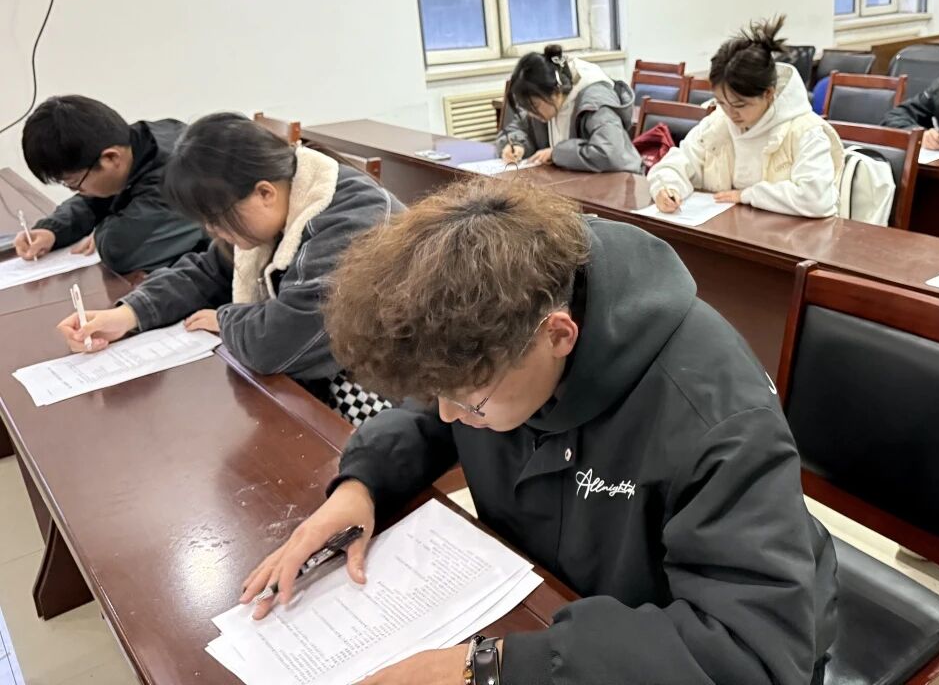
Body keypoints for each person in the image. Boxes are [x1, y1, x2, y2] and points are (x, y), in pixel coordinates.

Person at [240, 180, 838, 685]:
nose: (448, 414)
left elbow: (752, 653)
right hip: (555, 602)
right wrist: (361, 485)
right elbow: (432, 412)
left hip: (681, 639)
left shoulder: (717, 420)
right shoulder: (490, 344)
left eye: (468, 400)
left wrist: (487, 668)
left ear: (557, 336)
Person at [55, 113, 404, 398]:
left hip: (401, 396)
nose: (213, 231)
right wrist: (128, 315)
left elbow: (280, 342)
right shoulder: (281, 198)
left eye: (217, 219)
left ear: (264, 193)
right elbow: (209, 270)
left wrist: (226, 320)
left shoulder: (352, 221)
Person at [647, 16, 844, 218]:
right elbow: (679, 163)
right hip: (726, 228)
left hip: (787, 234)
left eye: (740, 105)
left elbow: (816, 198)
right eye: (722, 103)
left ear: (768, 94)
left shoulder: (804, 131)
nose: (730, 113)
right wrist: (667, 187)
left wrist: (748, 195)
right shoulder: (718, 124)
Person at [15, 96, 208, 274]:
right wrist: (53, 230)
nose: (78, 192)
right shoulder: (133, 145)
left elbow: (119, 251)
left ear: (110, 158)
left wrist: (103, 232)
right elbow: (95, 200)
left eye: (75, 184)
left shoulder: (175, 175)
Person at [496, 45, 642, 173]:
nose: (531, 114)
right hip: (576, 181)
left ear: (556, 92)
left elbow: (609, 153)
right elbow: (517, 128)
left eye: (534, 107)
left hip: (617, 182)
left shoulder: (596, 100)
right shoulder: (543, 96)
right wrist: (517, 145)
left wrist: (556, 153)